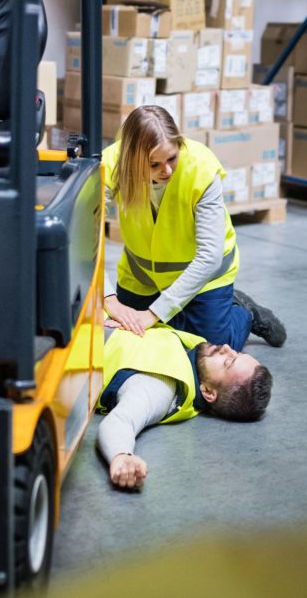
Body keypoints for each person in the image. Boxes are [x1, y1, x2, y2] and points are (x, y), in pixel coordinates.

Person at [102, 105, 286, 350]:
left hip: (206, 275)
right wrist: (108, 299)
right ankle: (184, 315)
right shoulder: (112, 164)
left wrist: (154, 314)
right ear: (132, 160)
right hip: (142, 275)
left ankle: (244, 312)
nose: (166, 170)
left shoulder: (201, 168)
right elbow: (83, 236)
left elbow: (209, 257)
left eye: (171, 158)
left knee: (208, 350)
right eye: (153, 164)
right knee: (126, 337)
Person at [98, 324, 274, 489]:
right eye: (236, 353)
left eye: (227, 362)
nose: (227, 348)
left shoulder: (161, 388)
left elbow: (121, 421)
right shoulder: (196, 355)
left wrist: (121, 455)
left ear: (208, 392)